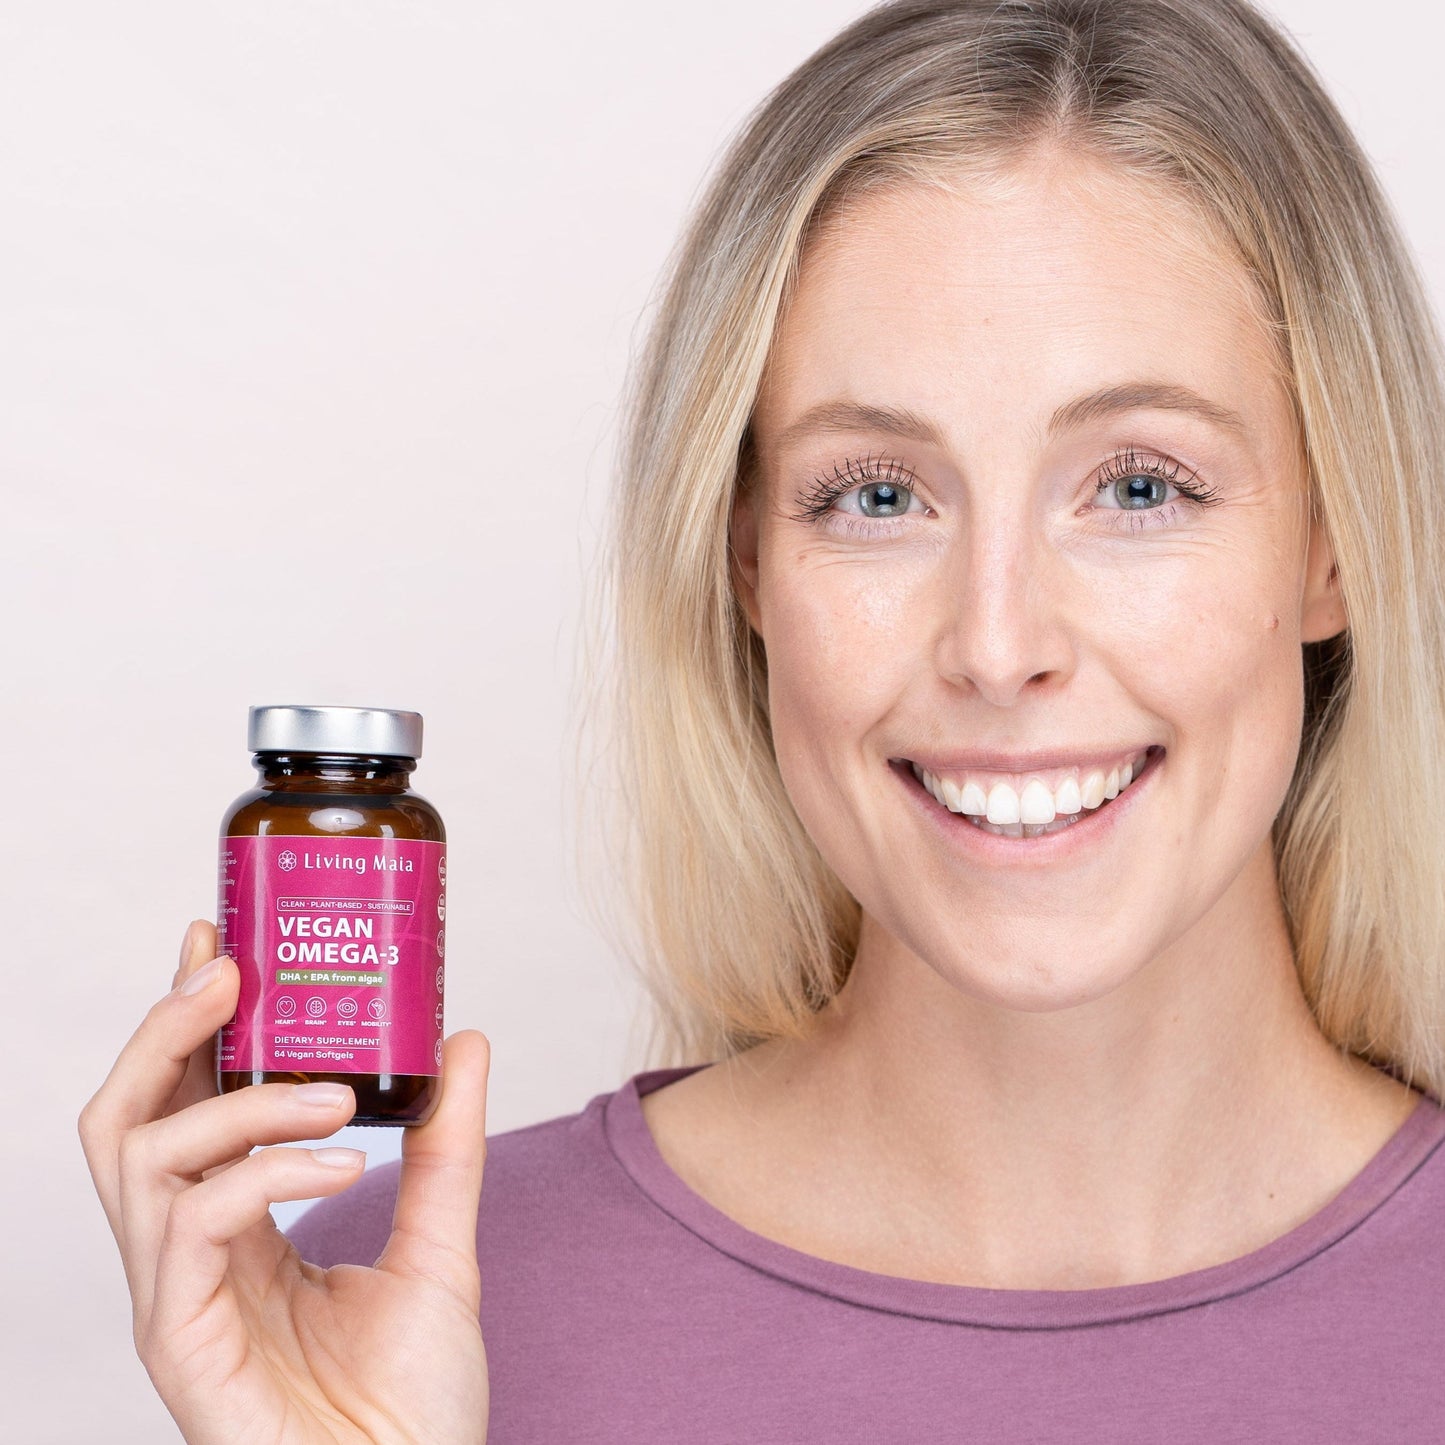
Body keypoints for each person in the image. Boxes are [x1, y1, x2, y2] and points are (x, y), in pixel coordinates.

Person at [80, 0, 1445, 1439]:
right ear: (744, 560)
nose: (995, 643)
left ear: (1334, 538)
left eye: (1140, 485)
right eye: (875, 495)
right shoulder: (387, 1304)